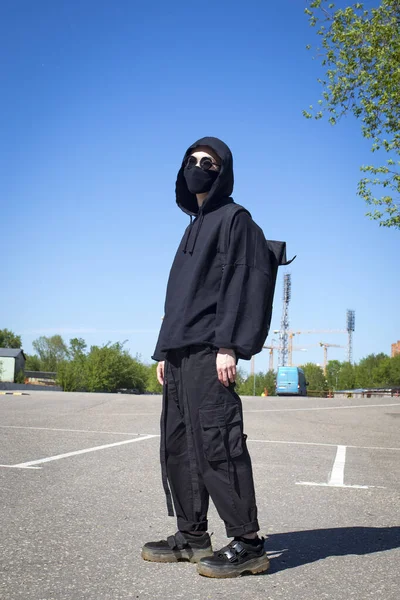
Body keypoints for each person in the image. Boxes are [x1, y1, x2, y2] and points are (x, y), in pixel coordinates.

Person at [142, 137, 292, 578]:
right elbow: (180, 299)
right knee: (179, 446)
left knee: (218, 446)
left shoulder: (235, 220)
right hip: (181, 354)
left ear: (223, 171)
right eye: (192, 161)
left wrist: (229, 344)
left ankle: (248, 543)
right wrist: (165, 350)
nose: (198, 167)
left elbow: (248, 282)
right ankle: (191, 536)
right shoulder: (192, 228)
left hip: (211, 351)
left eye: (208, 162)